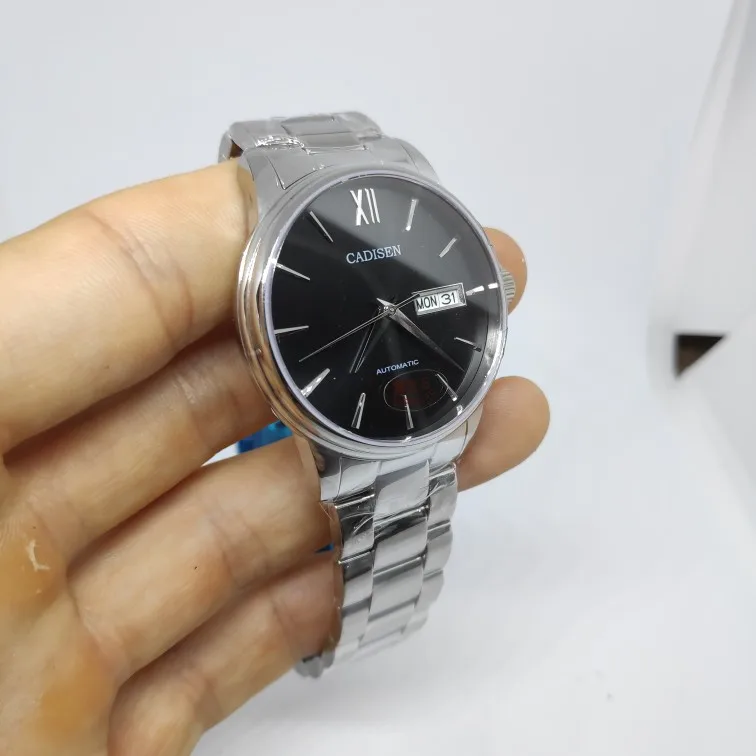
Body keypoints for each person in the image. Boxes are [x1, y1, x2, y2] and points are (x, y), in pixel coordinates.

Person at [0, 161, 549, 755]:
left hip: (434, 416)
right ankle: (371, 616)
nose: (390, 309)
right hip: (340, 421)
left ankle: (378, 613)